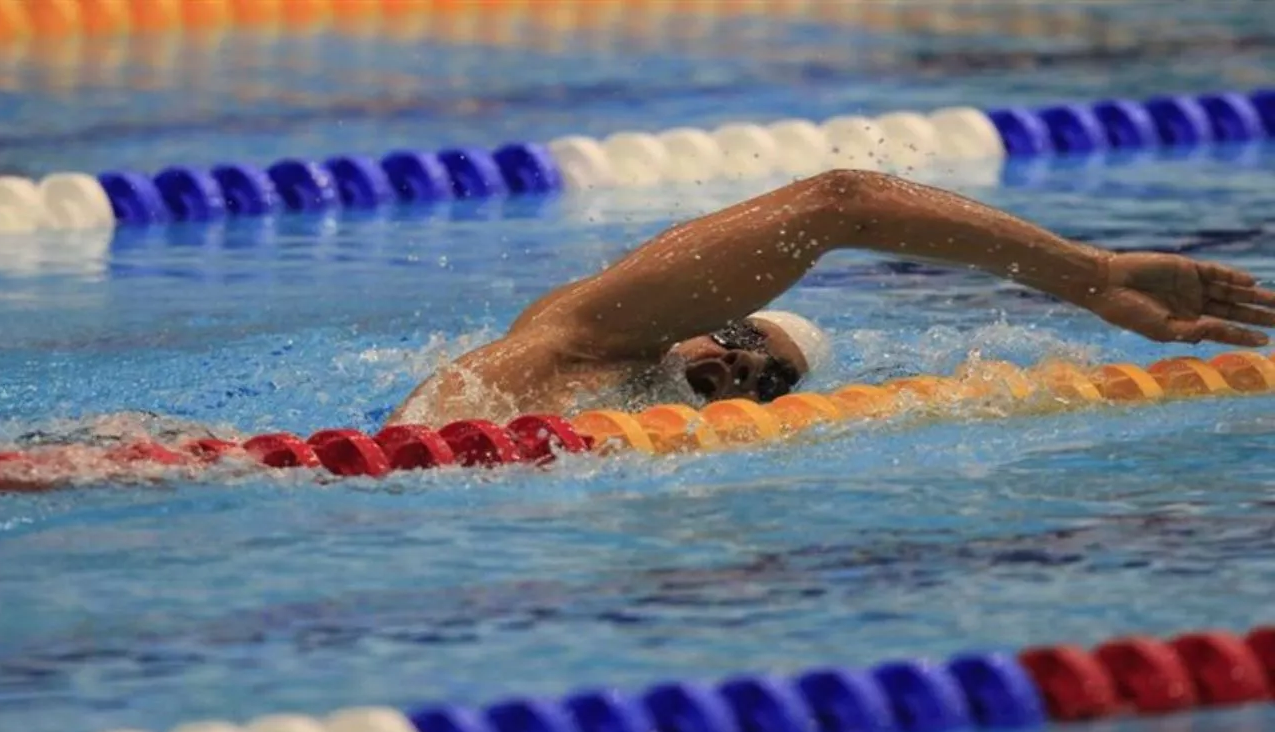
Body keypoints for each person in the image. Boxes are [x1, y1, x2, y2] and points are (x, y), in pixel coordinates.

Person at [388, 169, 1273, 426]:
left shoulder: (656, 427)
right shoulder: (589, 338)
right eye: (743, 333)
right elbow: (839, 202)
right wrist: (1090, 274)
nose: (744, 361)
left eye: (770, 379)